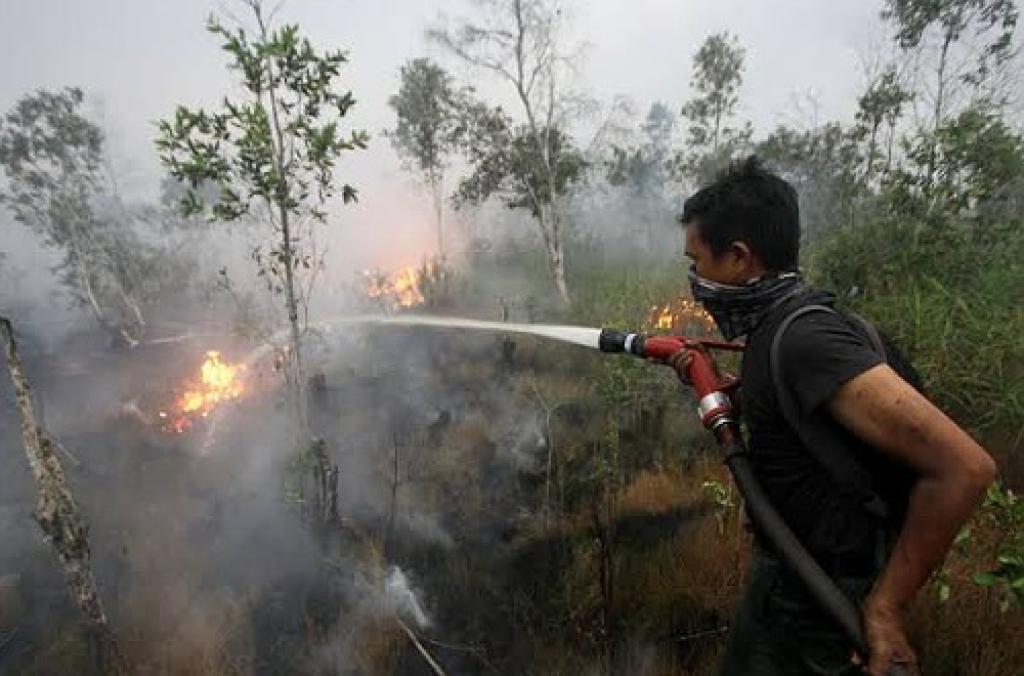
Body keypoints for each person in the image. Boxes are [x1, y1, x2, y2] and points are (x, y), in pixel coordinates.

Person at [670, 157, 996, 676]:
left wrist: (886, 608)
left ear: (738, 257)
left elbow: (965, 468)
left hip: (815, 608)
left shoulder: (807, 339)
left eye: (697, 262)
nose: (694, 280)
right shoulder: (781, 327)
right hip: (794, 584)